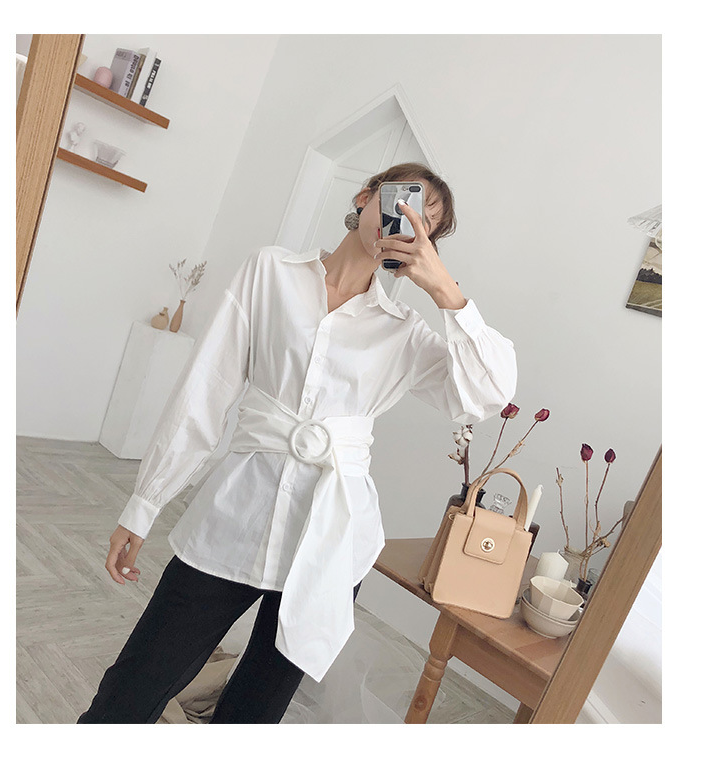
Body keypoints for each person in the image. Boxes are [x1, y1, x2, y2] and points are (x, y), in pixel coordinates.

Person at [77, 162, 518, 724]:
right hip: (236, 513)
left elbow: (490, 392)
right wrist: (144, 504)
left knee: (256, 712)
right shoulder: (270, 271)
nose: (405, 223)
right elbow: (204, 393)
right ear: (365, 197)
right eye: (401, 202)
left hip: (333, 535)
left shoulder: (405, 330)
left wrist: (443, 288)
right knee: (135, 683)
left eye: (423, 225)